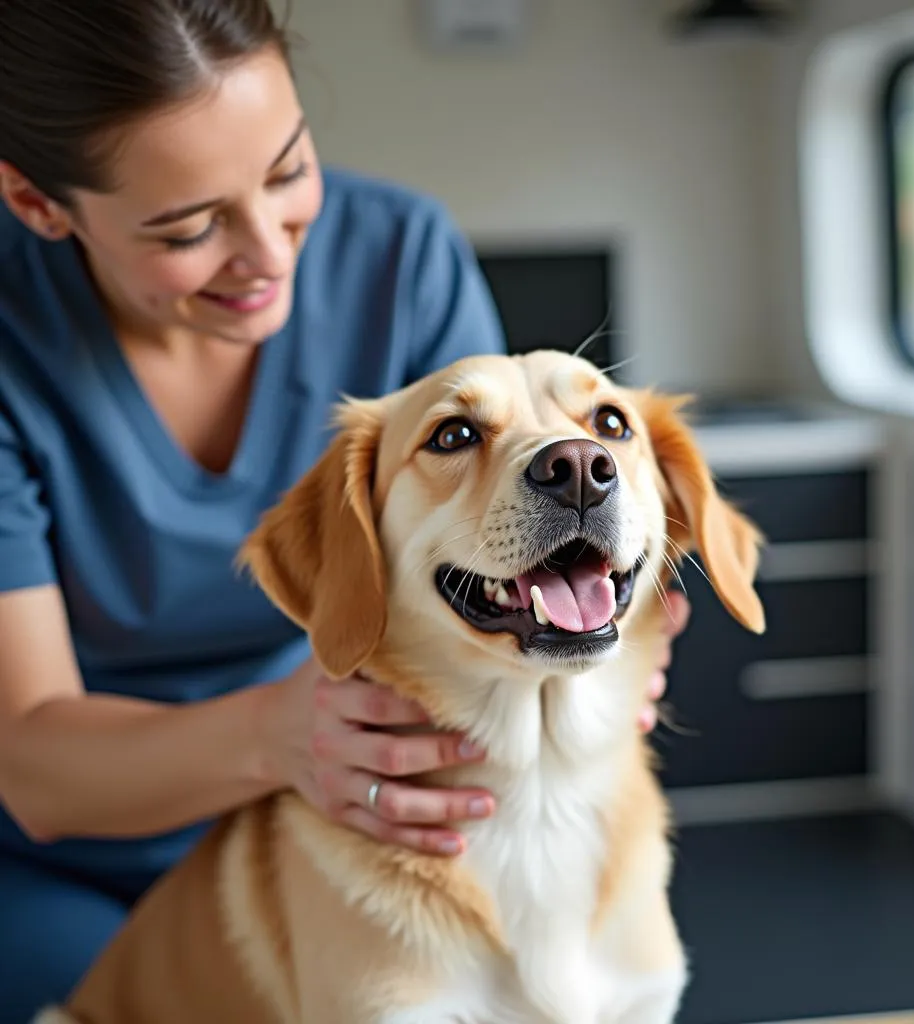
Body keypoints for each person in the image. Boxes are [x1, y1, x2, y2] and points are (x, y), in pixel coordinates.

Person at [0, 0, 689, 1017]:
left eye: (286, 172)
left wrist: (580, 613)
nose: (269, 253)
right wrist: (280, 736)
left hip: (364, 800)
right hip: (72, 855)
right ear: (38, 204)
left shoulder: (399, 254)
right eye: (189, 227)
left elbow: (500, 522)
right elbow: (35, 766)